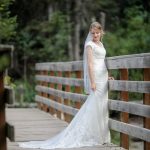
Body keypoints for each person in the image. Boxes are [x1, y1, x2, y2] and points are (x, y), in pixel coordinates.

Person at [19, 21, 113, 149]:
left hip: (103, 76)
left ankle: (101, 136)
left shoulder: (101, 44)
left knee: (102, 105)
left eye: (97, 32)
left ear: (101, 32)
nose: (95, 35)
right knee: (93, 105)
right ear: (90, 33)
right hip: (95, 77)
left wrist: (108, 76)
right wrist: (92, 81)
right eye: (93, 33)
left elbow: (102, 61)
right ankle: (90, 135)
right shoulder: (89, 45)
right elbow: (90, 65)